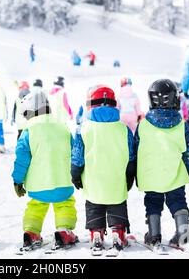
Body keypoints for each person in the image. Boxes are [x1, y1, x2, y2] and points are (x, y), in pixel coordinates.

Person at [135, 79, 189, 251]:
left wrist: (132, 172)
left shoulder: (142, 125)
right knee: (178, 201)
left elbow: (134, 151)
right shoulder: (182, 126)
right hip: (175, 174)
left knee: (153, 203)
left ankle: (154, 236)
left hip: (150, 175)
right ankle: (184, 235)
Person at [71, 85, 136, 253]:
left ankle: (96, 234)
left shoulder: (83, 129)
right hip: (116, 178)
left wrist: (76, 174)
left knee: (94, 204)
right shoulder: (124, 129)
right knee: (117, 203)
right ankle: (118, 233)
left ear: (91, 104)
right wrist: (130, 176)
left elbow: (77, 156)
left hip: (92, 179)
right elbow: (131, 156)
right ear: (114, 104)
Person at [12, 91, 78, 250]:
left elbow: (22, 158)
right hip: (63, 183)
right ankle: (64, 231)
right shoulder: (63, 127)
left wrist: (18, 180)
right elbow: (75, 152)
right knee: (64, 204)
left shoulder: (29, 130)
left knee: (35, 206)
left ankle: (31, 232)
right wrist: (77, 175)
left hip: (37, 186)